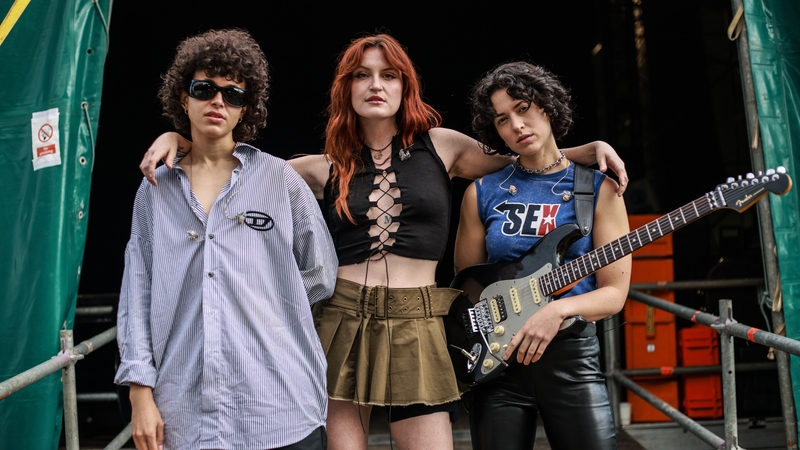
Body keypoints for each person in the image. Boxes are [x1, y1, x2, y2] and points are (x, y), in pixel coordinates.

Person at [137, 34, 629, 450]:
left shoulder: (445, 145)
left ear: (405, 85)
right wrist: (178, 139)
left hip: (417, 319)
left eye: (389, 75)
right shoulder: (317, 167)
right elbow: (228, 162)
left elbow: (529, 156)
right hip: (338, 319)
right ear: (345, 87)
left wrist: (585, 151)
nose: (375, 85)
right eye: (362, 75)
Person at [114, 29, 337, 450]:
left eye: (233, 95)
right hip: (186, 414)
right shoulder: (154, 189)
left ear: (244, 110)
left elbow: (321, 273)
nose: (218, 102)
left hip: (282, 408)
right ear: (184, 97)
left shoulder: (280, 180)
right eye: (205, 89)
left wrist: (264, 304)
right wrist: (139, 391)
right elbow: (137, 293)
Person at [454, 61, 631, 449]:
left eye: (522, 108)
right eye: (502, 119)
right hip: (500, 365)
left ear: (546, 107)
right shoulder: (482, 192)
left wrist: (556, 311)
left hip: (571, 361)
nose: (515, 125)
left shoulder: (597, 189)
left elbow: (614, 295)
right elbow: (467, 287)